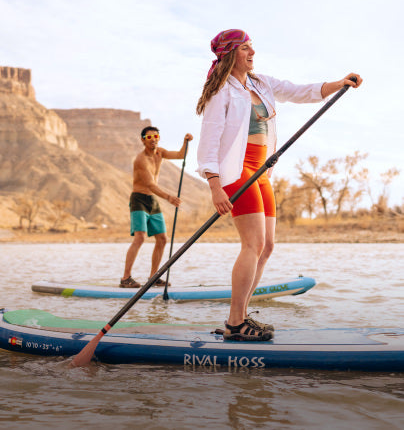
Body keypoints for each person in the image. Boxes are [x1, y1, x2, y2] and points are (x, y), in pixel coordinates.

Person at [196, 29, 362, 341]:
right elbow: (208, 142)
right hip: (236, 172)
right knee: (252, 245)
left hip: (261, 171)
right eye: (245, 48)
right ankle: (235, 322)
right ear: (230, 54)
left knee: (267, 246)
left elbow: (300, 91)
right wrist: (214, 185)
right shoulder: (221, 92)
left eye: (251, 47)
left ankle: (241, 316)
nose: (252, 53)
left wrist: (339, 83)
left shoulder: (262, 83)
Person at [120, 126, 193, 288]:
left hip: (152, 201)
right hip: (139, 199)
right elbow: (150, 184)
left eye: (155, 136)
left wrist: (185, 142)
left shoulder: (160, 152)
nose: (153, 139)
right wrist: (169, 198)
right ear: (142, 140)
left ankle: (153, 277)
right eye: (148, 137)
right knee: (140, 237)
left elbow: (181, 155)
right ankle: (125, 278)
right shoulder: (140, 160)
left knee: (162, 239)